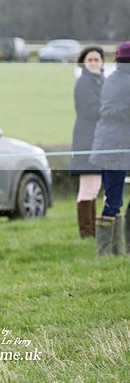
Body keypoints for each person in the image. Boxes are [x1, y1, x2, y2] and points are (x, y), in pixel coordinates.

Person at [90, 41, 130, 256]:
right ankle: (106, 251)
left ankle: (116, 249)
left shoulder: (112, 78)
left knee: (112, 197)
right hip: (118, 145)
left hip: (109, 143)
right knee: (113, 199)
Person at [70, 46, 105, 239]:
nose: (93, 63)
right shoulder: (84, 83)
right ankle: (86, 231)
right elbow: (92, 110)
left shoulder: (101, 81)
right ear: (83, 62)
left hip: (99, 140)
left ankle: (92, 229)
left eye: (96, 59)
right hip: (86, 140)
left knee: (94, 187)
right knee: (87, 187)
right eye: (90, 60)